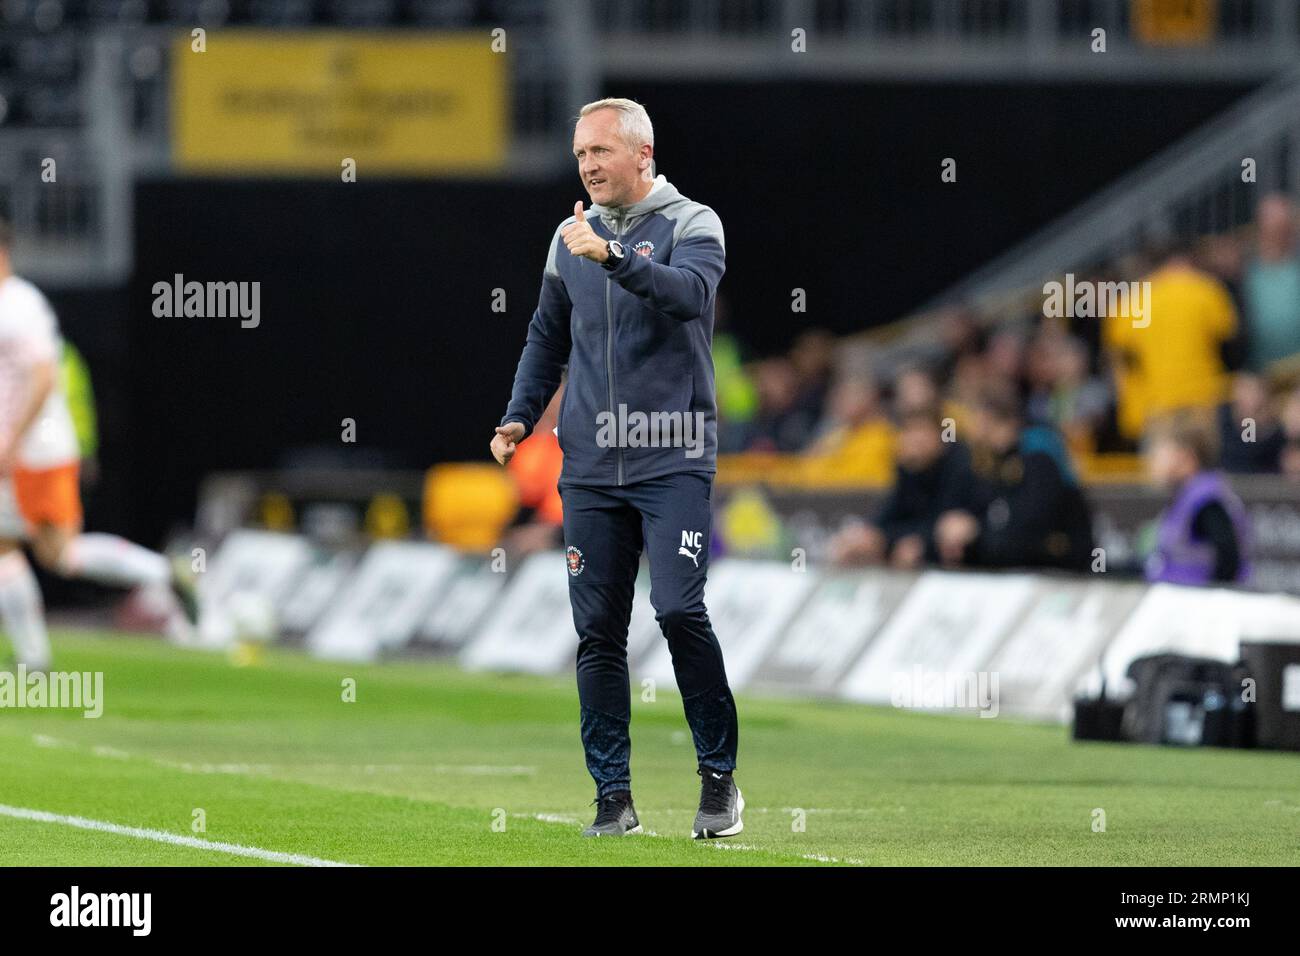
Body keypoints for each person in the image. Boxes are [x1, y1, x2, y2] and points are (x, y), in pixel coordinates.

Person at [490, 98, 741, 839]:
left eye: (600, 151)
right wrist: (518, 414)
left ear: (643, 153)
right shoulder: (568, 237)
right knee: (598, 631)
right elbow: (546, 337)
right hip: (592, 463)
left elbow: (689, 297)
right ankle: (612, 796)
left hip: (673, 456)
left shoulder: (694, 224)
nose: (588, 165)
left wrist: (617, 258)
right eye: (579, 155)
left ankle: (719, 781)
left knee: (676, 610)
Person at [0, 218, 198, 672]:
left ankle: (161, 574)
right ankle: (35, 658)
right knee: (40, 552)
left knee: (55, 554)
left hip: (33, 452)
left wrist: (11, 441)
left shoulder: (20, 305)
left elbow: (43, 376)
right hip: (29, 449)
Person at [934, 388, 1094, 571]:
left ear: (1009, 425)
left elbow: (1027, 536)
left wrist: (976, 533)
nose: (977, 434)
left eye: (986, 425)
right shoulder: (982, 466)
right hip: (1006, 570)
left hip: (1059, 570)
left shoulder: (1039, 462)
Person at [828, 405, 974, 569]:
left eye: (921, 432)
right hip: (914, 537)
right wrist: (870, 534)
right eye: (909, 432)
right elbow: (890, 513)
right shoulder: (907, 467)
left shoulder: (958, 467)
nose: (914, 440)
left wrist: (914, 541)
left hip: (961, 547)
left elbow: (944, 518)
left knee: (910, 551)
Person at [1143, 412, 1250, 586]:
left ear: (1185, 455)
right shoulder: (1185, 496)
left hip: (1199, 605)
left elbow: (1229, 556)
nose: (1151, 460)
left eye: (1158, 450)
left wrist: (1209, 597)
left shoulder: (1206, 499)